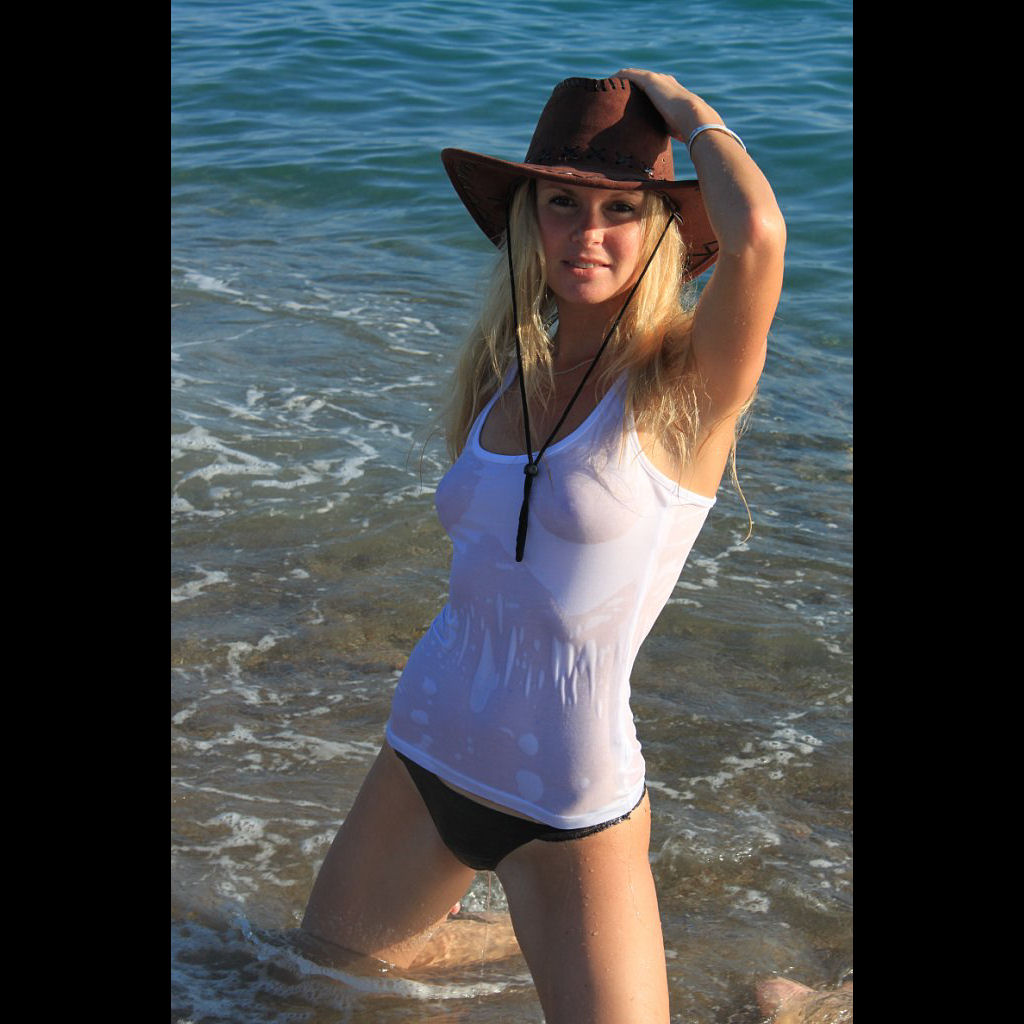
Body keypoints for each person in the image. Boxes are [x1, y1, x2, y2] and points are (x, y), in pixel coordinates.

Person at [300, 69, 785, 1023]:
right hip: (423, 752)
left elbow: (759, 238)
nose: (587, 232)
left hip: (567, 806)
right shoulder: (502, 369)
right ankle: (516, 938)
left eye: (620, 208)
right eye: (562, 203)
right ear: (529, 219)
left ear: (660, 229)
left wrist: (689, 113)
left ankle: (790, 1000)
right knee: (312, 986)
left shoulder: (682, 390)